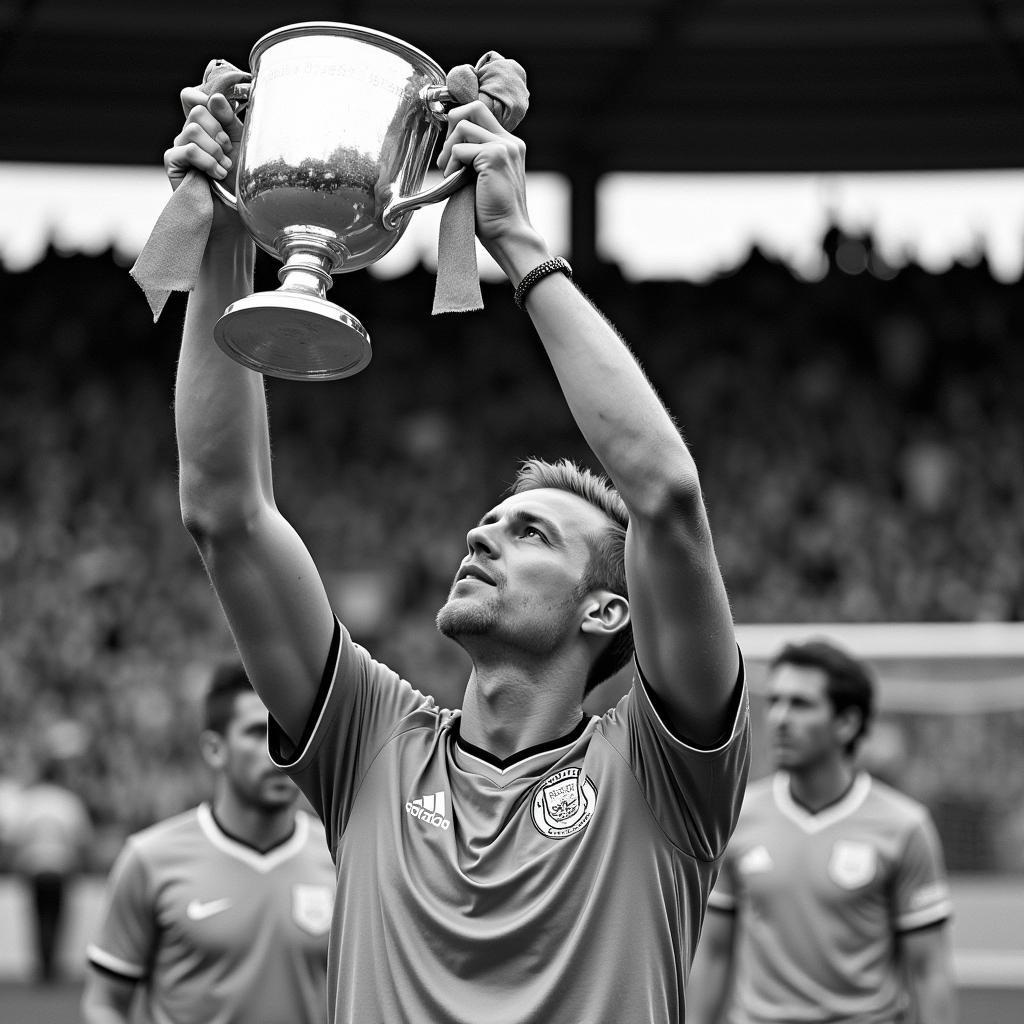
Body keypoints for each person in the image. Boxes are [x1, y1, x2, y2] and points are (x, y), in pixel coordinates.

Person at [168, 85, 750, 1024]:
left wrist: (515, 239)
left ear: (609, 609)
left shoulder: (660, 772)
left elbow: (667, 495)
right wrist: (231, 228)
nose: (481, 533)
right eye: (489, 520)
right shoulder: (371, 745)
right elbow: (226, 513)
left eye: (530, 533)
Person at [688, 638, 956, 1024]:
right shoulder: (735, 818)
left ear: (847, 723)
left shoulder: (904, 827)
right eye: (775, 701)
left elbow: (930, 970)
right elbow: (712, 952)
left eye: (800, 704)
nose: (779, 718)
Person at [81, 662, 334, 1024]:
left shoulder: (341, 857)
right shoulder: (150, 859)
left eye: (292, 733)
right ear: (215, 749)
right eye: (255, 732)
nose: (280, 751)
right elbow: (104, 1002)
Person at [6, 754, 93, 984]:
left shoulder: (28, 800)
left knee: (37, 918)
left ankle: (42, 967)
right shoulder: (68, 801)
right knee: (56, 918)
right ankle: (51, 966)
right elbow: (82, 839)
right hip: (61, 867)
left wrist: (16, 866)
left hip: (33, 866)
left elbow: (14, 839)